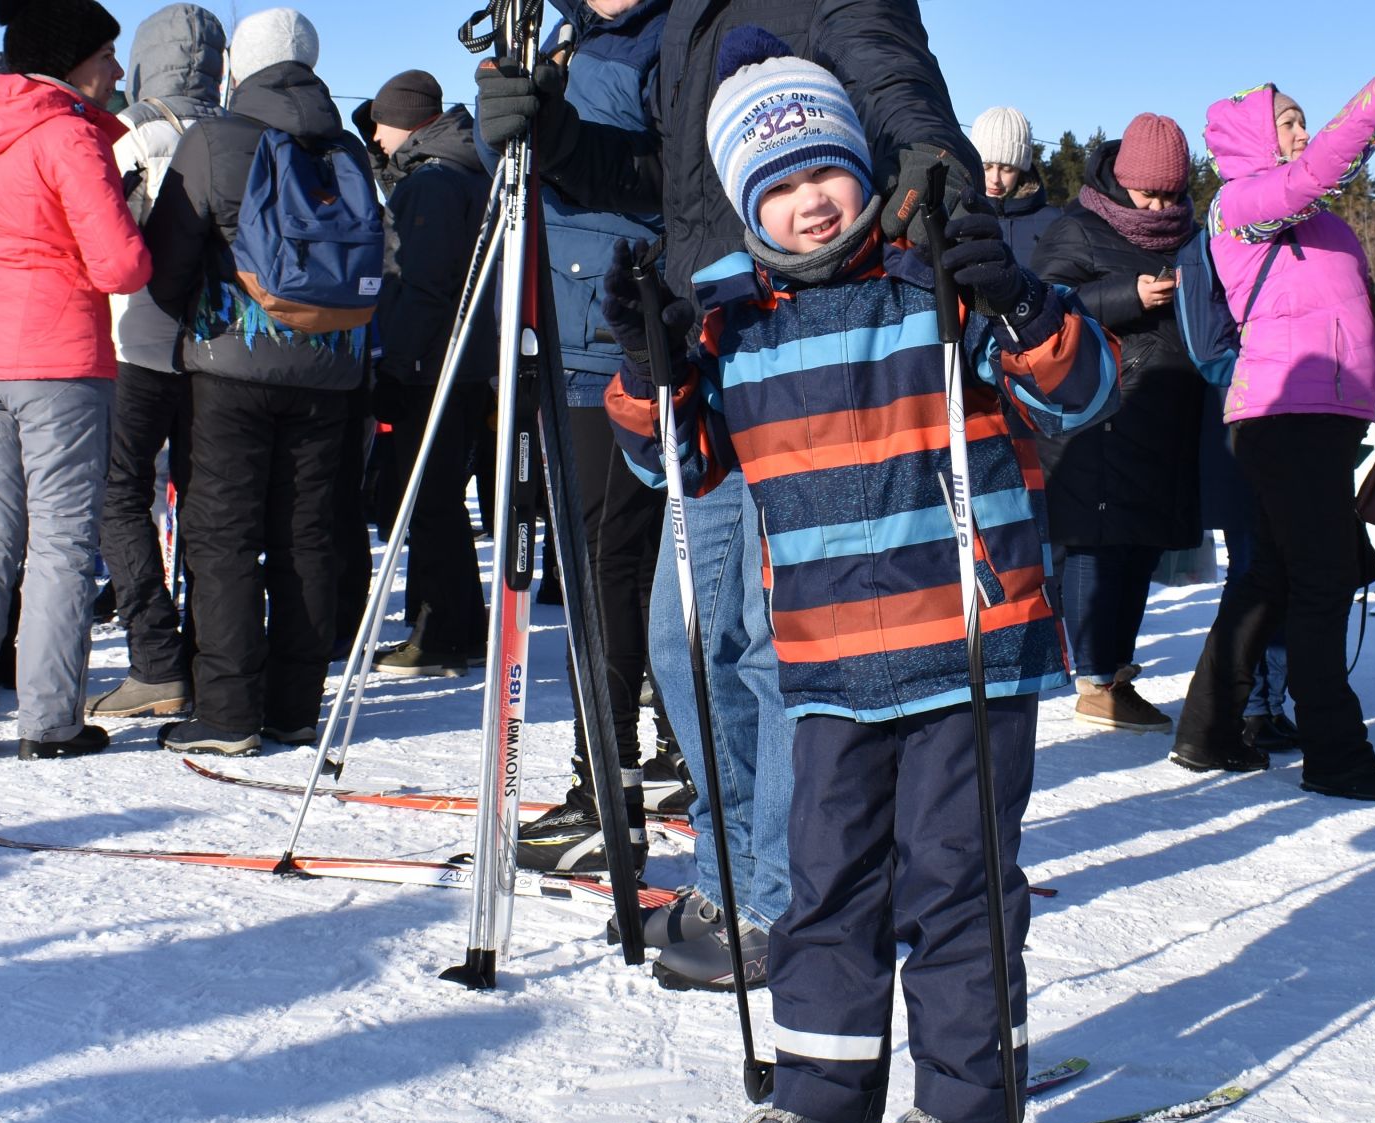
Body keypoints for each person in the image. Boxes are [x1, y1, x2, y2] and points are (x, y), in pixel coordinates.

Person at [603, 27, 1115, 1123]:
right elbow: (674, 470)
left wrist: (1022, 300)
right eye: (778, 189)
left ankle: (966, 1105)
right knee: (823, 887)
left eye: (826, 171)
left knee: (954, 881)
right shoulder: (730, 321)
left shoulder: (936, 281)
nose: (811, 204)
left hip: (968, 651)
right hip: (826, 667)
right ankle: (822, 1095)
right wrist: (648, 372)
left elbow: (1082, 397)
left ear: (863, 166)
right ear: (743, 205)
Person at [475, 0, 979, 990]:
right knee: (688, 637)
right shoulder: (685, 24)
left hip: (805, 333)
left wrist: (924, 141)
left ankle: (789, 899)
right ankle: (733, 871)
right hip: (710, 337)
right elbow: (667, 180)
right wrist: (560, 135)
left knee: (769, 636)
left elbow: (882, 61)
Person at [1170, 44, 1375, 802]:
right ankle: (1334, 752)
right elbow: (1321, 168)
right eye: (1288, 122)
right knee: (1323, 580)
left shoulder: (1321, 226)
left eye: (1301, 121)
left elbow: (1330, 302)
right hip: (1284, 415)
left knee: (1272, 576)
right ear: (1256, 138)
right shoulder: (1240, 205)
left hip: (1320, 418)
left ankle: (1208, 726)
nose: (1301, 131)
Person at [143, 8, 377, 756]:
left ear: (237, 68)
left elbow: (168, 266)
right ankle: (295, 707)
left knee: (222, 538)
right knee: (308, 536)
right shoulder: (344, 146)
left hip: (231, 369)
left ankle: (228, 711)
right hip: (333, 372)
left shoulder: (214, 140)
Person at [0, 0, 148, 762]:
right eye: (107, 56)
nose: (116, 72)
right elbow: (120, 264)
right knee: (61, 540)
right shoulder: (68, 133)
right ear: (74, 57)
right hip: (58, 356)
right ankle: (50, 721)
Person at [514, 0, 684, 881]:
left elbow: (674, 178)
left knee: (605, 567)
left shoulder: (675, 32)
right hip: (557, 320)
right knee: (617, 565)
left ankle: (605, 793)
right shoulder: (566, 34)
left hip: (615, 337)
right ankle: (673, 756)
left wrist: (566, 141)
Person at [1031, 112, 1206, 733]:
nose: (1159, 203)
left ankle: (1116, 667)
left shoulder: (1190, 233)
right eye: (1147, 191)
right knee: (1097, 544)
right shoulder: (1078, 230)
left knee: (1138, 546)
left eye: (1170, 192)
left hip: (1167, 415)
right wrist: (1129, 295)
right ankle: (1094, 677)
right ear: (1121, 178)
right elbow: (1040, 308)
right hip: (1098, 416)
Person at [86, 2, 227, 720]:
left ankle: (156, 657)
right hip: (218, 347)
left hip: (135, 340)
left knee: (120, 492)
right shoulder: (236, 133)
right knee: (208, 498)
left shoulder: (122, 136)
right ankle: (214, 654)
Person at [363, 68, 491, 677]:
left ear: (408, 118)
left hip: (433, 361)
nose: (377, 137)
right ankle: (457, 627)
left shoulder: (433, 181)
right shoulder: (462, 166)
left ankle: (438, 632)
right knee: (440, 498)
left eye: (380, 123)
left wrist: (400, 361)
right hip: (461, 358)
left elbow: (422, 283)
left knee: (431, 499)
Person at [970, 105, 1055, 267]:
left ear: (1021, 169)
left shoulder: (1055, 222)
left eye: (1007, 169)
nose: (995, 179)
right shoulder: (956, 214)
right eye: (986, 166)